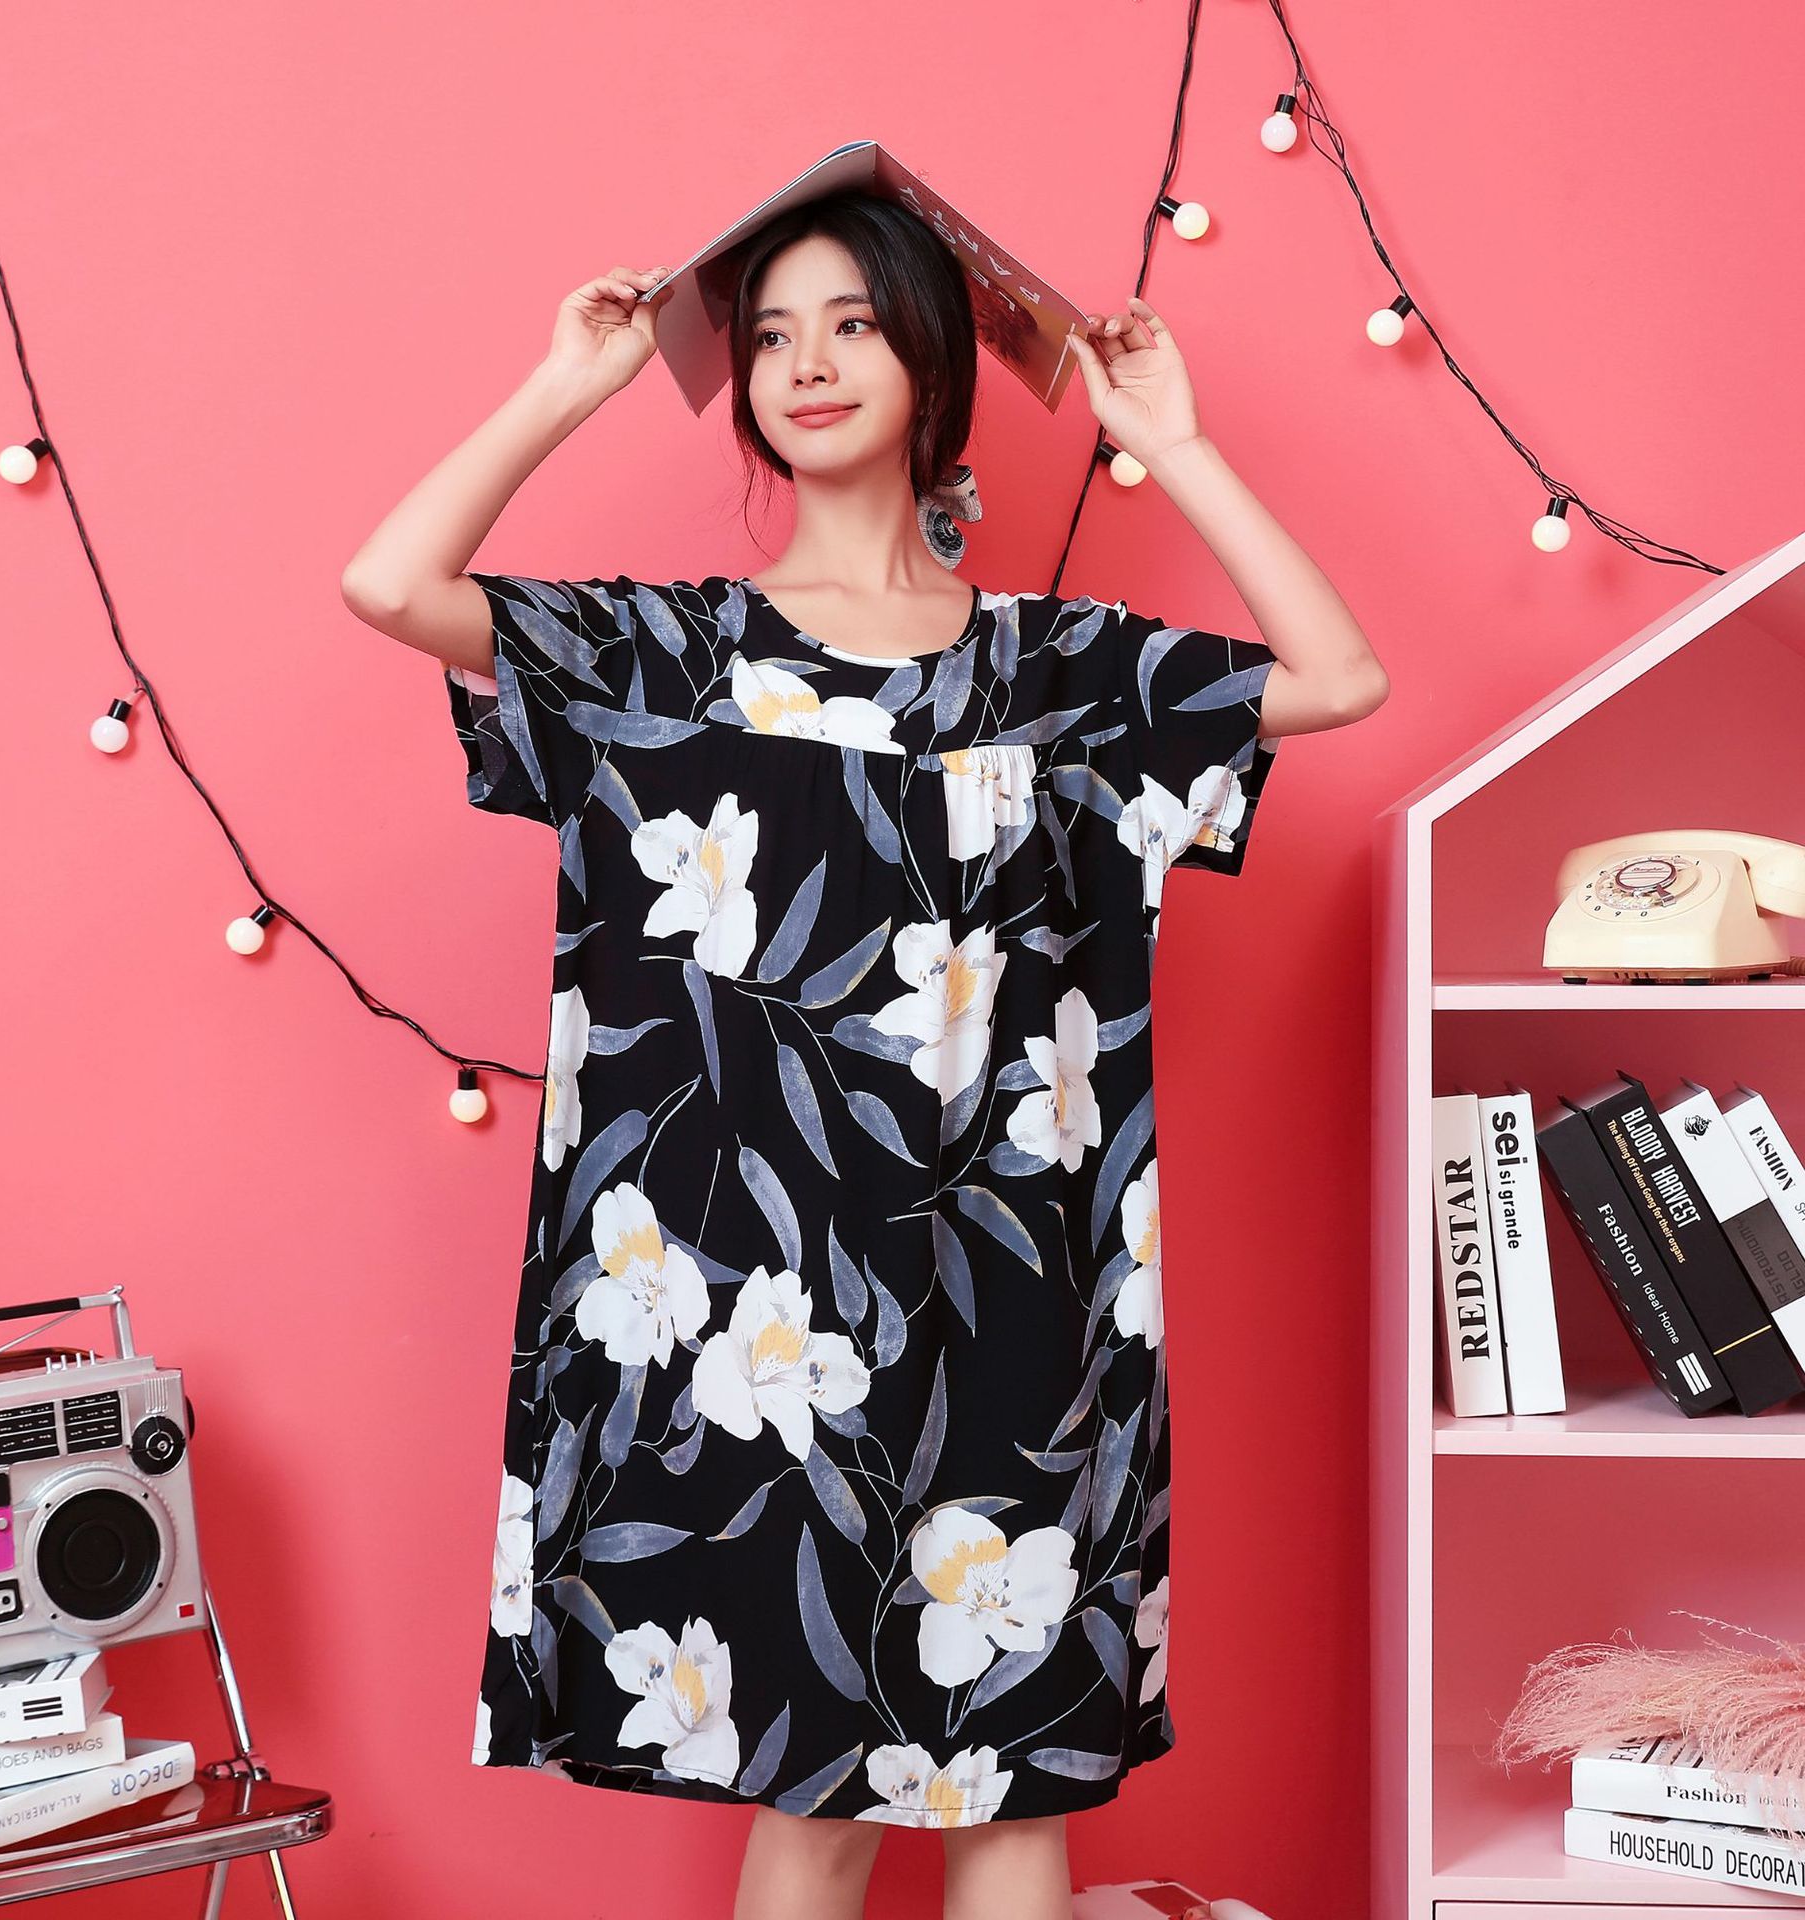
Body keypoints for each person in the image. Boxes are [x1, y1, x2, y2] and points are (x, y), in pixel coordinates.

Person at [342, 189, 1388, 1920]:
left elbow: (1338, 678)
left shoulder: (1052, 671)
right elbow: (390, 585)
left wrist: (1171, 445)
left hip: (1019, 1308)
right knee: (815, 1801)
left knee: (1020, 1795)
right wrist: (568, 387)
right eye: (768, 335)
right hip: (755, 1328)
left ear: (931, 362)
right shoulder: (669, 658)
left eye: (850, 324)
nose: (805, 364)